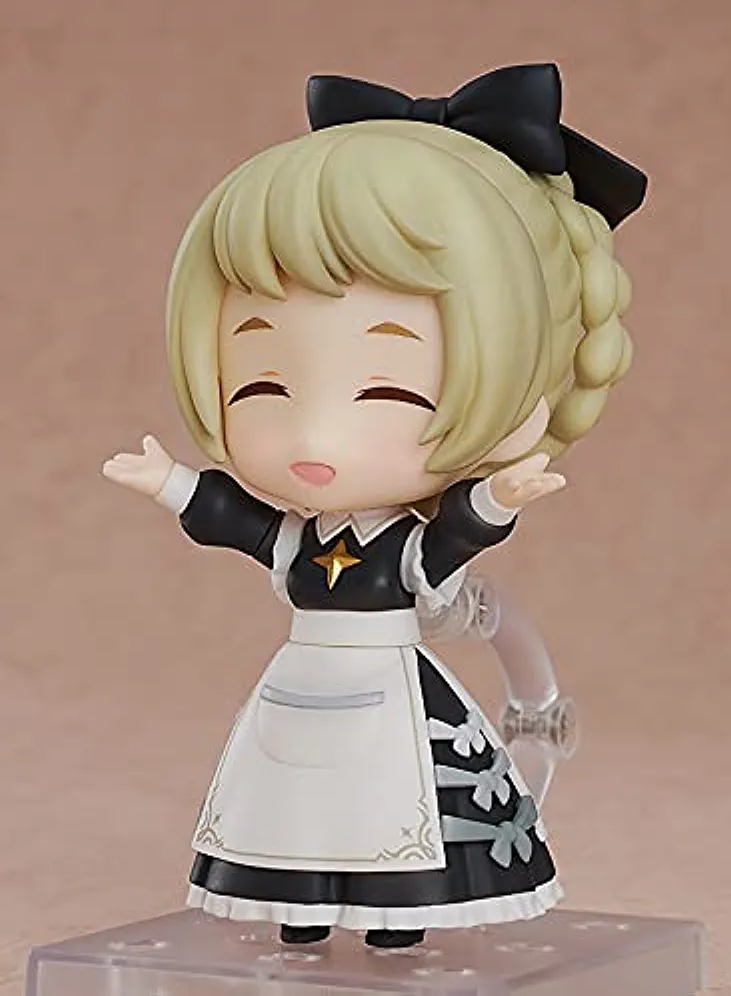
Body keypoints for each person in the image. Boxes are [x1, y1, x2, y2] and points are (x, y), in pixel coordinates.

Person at [102, 63, 646, 948]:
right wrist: (169, 481)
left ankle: (398, 916)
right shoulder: (303, 539)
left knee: (394, 797)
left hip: (388, 692)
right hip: (300, 687)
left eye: (387, 391)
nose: (315, 435)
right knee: (292, 798)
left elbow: (451, 542)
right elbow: (240, 524)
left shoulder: (400, 549)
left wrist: (496, 496)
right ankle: (303, 903)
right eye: (264, 384)